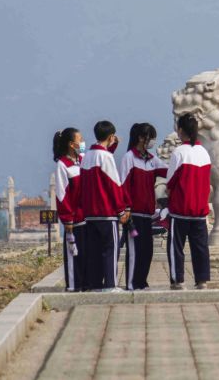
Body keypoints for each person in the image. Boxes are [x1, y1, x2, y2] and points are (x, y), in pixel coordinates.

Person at [80, 120, 130, 291]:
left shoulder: (86, 156)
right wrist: (121, 209)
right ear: (110, 136)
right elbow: (114, 185)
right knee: (110, 249)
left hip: (90, 213)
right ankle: (110, 284)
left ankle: (95, 284)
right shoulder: (106, 157)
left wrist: (112, 145)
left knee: (94, 251)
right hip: (106, 212)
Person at [119, 122, 167, 290]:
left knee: (147, 251)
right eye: (150, 137)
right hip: (133, 214)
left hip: (148, 214)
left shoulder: (152, 159)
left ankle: (142, 281)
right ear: (141, 138)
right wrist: (126, 209)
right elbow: (123, 185)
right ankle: (132, 283)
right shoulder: (128, 158)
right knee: (134, 251)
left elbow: (168, 171)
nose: (153, 141)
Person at [165, 113, 211, 290]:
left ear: (180, 130)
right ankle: (201, 280)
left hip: (180, 209)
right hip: (199, 210)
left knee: (176, 246)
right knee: (200, 247)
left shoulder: (179, 152)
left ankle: (178, 280)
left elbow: (170, 182)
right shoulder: (204, 153)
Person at [53, 127, 85, 292]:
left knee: (86, 254)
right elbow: (61, 194)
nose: (83, 142)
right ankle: (73, 285)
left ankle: (86, 284)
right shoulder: (62, 165)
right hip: (73, 219)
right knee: (74, 254)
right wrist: (67, 219)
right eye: (80, 139)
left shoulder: (83, 159)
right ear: (72, 144)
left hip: (87, 217)